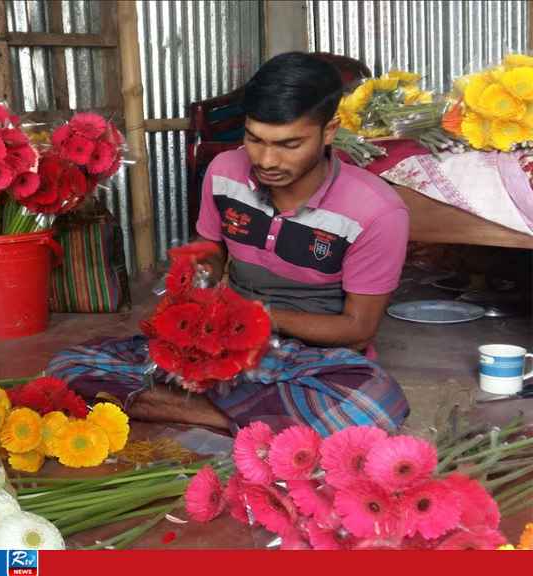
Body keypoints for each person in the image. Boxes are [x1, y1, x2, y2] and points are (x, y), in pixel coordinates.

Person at [48, 52, 410, 436]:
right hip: (222, 339)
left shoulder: (377, 210)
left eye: (289, 144)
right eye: (255, 139)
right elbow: (212, 249)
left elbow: (358, 330)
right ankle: (258, 416)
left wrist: (255, 315)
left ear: (329, 131)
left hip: (310, 356)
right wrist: (195, 283)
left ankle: (198, 407)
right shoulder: (223, 173)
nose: (266, 159)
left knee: (373, 406)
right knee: (67, 366)